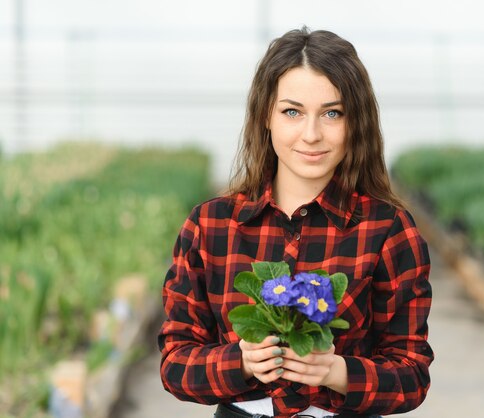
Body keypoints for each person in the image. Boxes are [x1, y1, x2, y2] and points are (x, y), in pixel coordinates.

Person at [158, 27, 433, 418]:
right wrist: (241, 362)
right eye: (292, 111)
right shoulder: (211, 226)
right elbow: (174, 363)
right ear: (265, 117)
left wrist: (339, 372)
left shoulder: (387, 229)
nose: (311, 134)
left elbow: (412, 376)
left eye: (332, 113)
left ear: (356, 122)